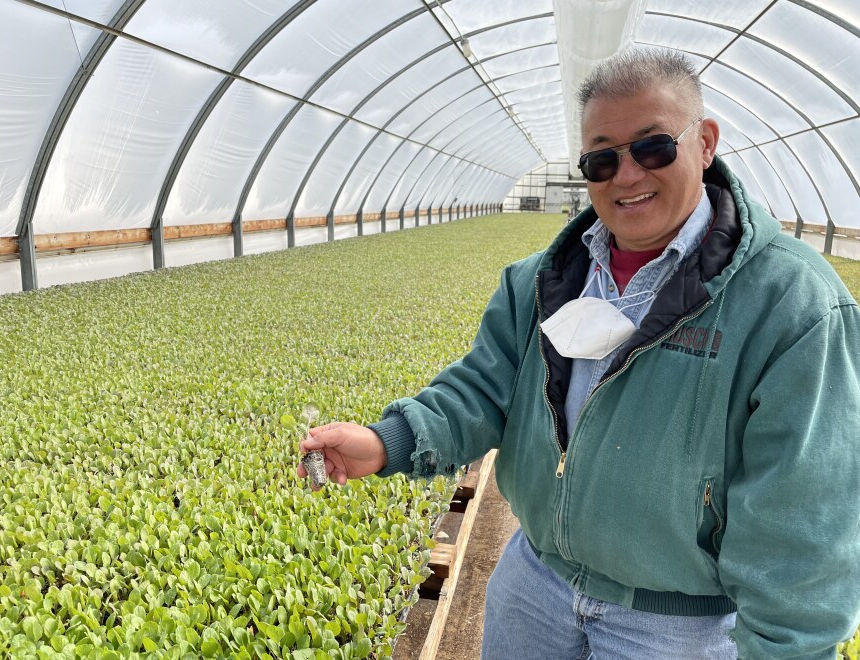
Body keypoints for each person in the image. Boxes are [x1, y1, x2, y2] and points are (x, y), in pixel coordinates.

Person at [298, 48, 860, 659]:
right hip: (535, 584)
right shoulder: (541, 280)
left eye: (653, 147)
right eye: (600, 158)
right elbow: (485, 390)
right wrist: (388, 442)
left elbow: (803, 514)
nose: (626, 175)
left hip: (678, 626)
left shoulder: (790, 304)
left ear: (704, 142)